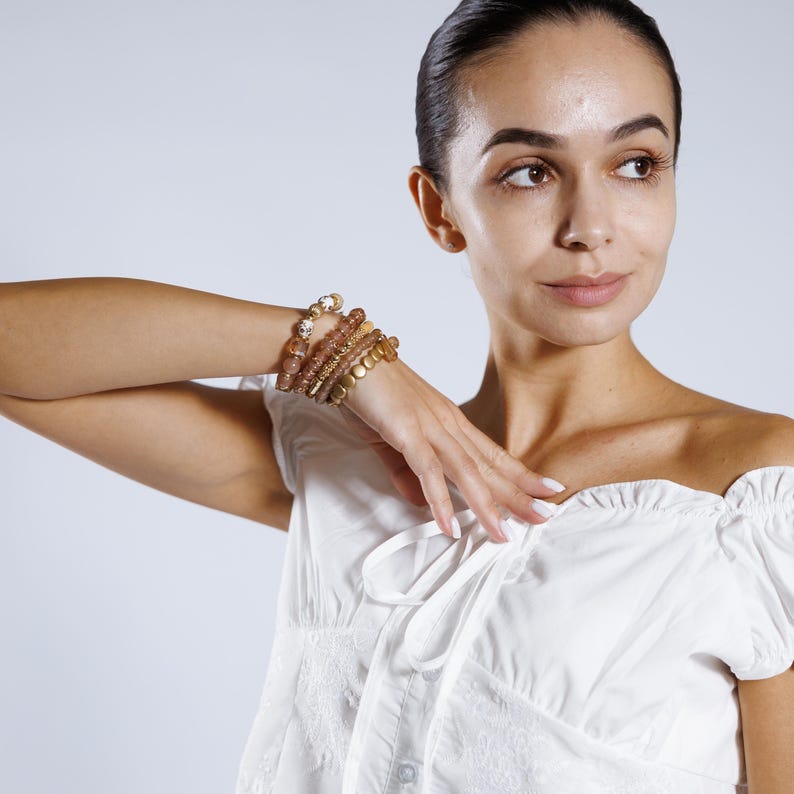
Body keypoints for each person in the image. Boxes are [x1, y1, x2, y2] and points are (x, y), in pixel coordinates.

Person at [1, 0, 792, 791]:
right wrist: (334, 349)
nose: (592, 225)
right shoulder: (351, 459)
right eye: (529, 171)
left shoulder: (758, 499)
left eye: (636, 164)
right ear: (439, 208)